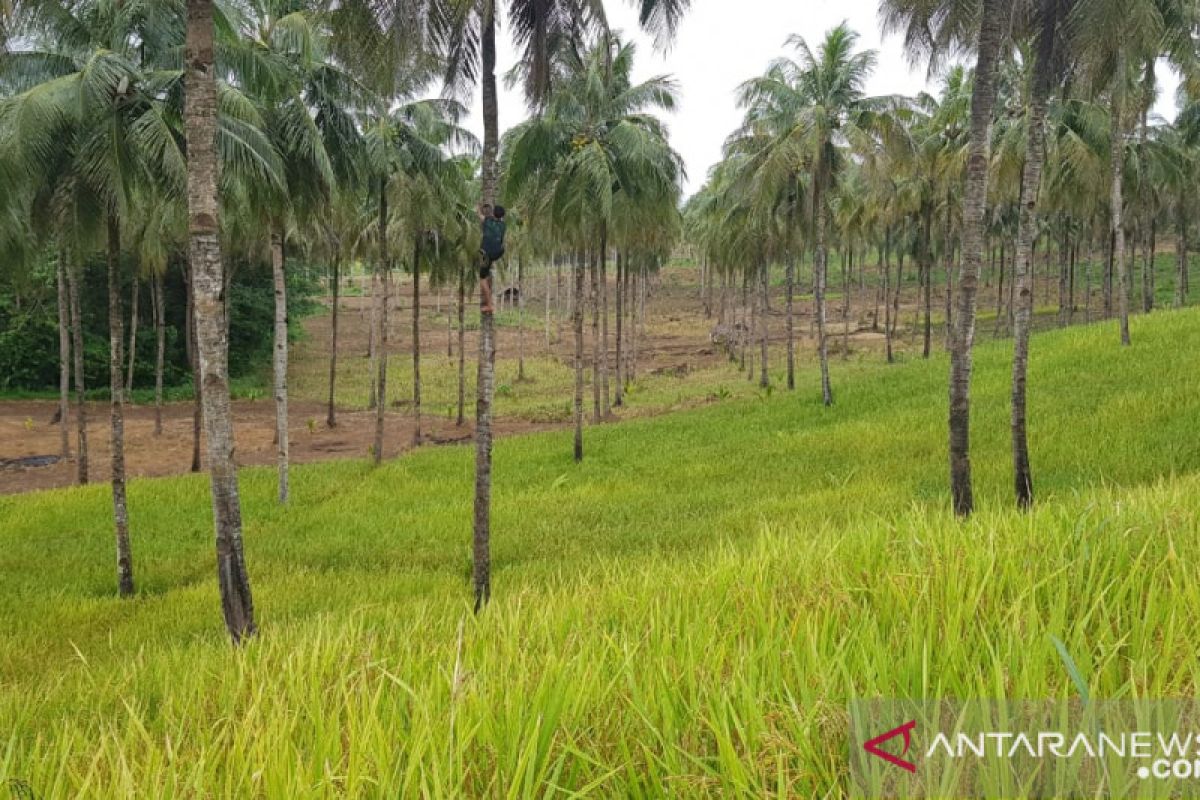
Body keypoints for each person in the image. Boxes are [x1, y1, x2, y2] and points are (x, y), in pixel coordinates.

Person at [479, 203, 507, 314]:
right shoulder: (503, 225)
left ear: (493, 213)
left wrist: (479, 205)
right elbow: (499, 218)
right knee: (488, 266)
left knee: (482, 279)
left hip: (487, 253)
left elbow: (479, 214)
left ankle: (489, 305)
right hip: (499, 252)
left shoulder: (487, 221)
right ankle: (489, 275)